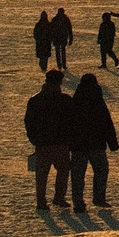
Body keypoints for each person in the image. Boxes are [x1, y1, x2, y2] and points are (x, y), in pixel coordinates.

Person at [68, 73, 118, 211]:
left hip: (78, 146)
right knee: (101, 170)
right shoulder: (98, 101)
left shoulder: (75, 101)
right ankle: (99, 198)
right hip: (96, 144)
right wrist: (112, 143)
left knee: (77, 175)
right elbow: (107, 123)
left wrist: (68, 143)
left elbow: (68, 124)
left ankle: (78, 202)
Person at [25, 70, 74, 209]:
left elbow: (29, 122)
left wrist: (34, 139)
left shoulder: (35, 100)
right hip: (60, 143)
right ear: (60, 82)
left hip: (43, 143)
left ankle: (41, 202)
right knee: (63, 170)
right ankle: (58, 198)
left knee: (42, 174)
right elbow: (73, 121)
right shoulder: (65, 100)